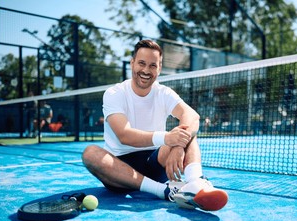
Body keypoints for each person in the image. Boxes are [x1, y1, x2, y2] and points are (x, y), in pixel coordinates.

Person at [82, 40, 228, 211]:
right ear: (132, 63)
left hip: (155, 161)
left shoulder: (163, 92)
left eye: (153, 65)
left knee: (187, 130)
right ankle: (164, 191)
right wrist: (167, 137)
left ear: (159, 69)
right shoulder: (114, 93)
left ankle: (195, 185)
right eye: (141, 63)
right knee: (90, 153)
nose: (146, 70)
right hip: (119, 170)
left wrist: (179, 145)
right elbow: (124, 134)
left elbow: (192, 116)